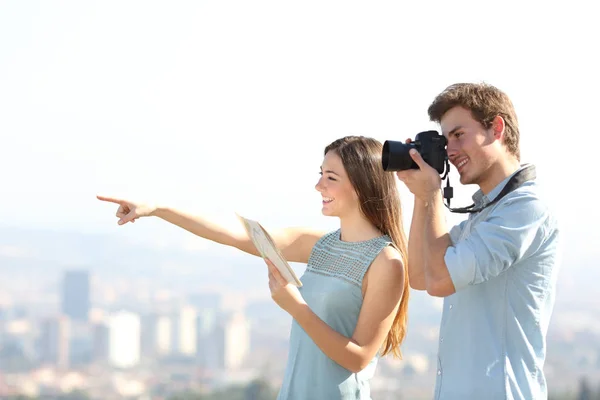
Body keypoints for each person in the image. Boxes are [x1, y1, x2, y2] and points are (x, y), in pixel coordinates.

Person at [97, 136, 410, 400]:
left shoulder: (386, 262)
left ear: (362, 185)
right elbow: (235, 235)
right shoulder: (318, 244)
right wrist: (160, 208)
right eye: (320, 173)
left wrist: (296, 308)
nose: (317, 185)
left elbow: (358, 358)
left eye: (331, 177)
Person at [396, 82, 561, 400]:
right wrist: (421, 197)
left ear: (496, 128)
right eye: (445, 141)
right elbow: (420, 275)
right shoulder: (483, 216)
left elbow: (441, 280)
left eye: (458, 135)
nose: (451, 150)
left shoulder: (526, 208)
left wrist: (431, 194)